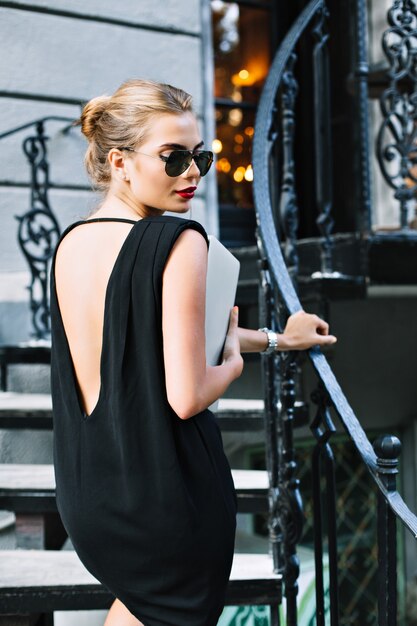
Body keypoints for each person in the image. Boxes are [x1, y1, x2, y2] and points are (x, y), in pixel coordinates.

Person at [50, 78, 337, 626]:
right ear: (120, 161)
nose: (193, 174)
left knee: (137, 609)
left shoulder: (73, 242)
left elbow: (146, 349)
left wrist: (277, 338)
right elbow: (187, 395)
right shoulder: (179, 241)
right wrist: (229, 367)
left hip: (94, 498)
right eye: (173, 157)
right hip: (165, 498)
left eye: (200, 157)